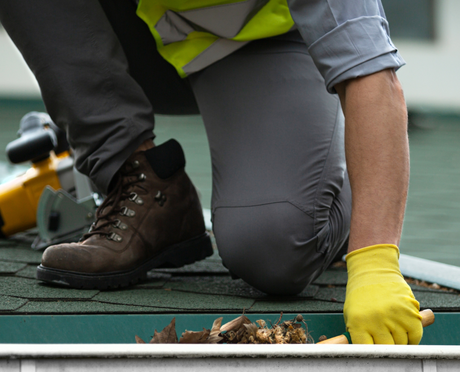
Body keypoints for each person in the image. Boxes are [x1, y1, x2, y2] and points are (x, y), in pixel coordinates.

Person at [0, 0, 422, 344]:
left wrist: (374, 259)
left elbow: (372, 74)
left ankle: (332, 192)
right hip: (136, 33)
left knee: (274, 250)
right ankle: (135, 177)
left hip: (257, 43)